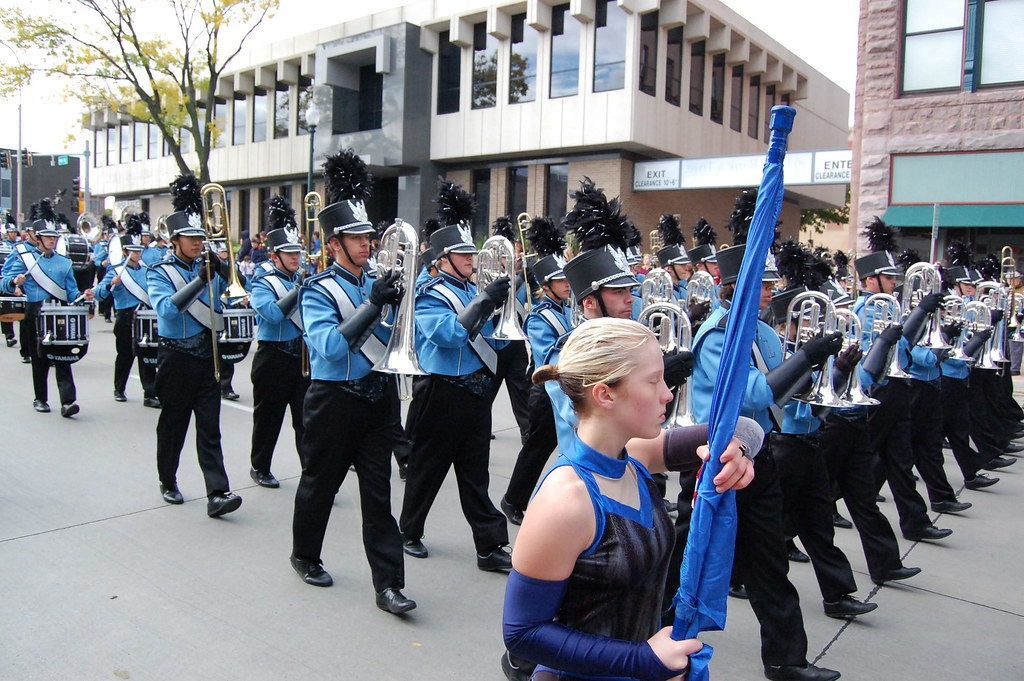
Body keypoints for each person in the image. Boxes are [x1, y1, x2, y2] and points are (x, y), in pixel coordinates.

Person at [503, 317, 759, 681]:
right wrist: (643, 659)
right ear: (605, 394)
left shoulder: (634, 455)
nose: (668, 393)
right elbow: (522, 633)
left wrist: (742, 451)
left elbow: (742, 427)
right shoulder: (566, 501)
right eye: (654, 380)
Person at [290, 150, 415, 615]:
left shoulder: (379, 282)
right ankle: (305, 554)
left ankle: (389, 585)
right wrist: (373, 305)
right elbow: (328, 347)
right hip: (332, 400)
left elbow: (395, 338)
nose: (367, 244)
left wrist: (395, 306)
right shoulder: (318, 288)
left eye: (368, 236)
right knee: (319, 483)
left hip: (377, 400)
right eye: (357, 238)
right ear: (335, 244)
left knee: (378, 495)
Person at [399, 179, 512, 571]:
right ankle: (408, 530)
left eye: (471, 251)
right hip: (442, 391)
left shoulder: (470, 288)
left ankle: (490, 545)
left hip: (477, 392)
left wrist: (503, 311)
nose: (471, 258)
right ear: (440, 259)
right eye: (462, 253)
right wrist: (484, 301)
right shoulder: (430, 291)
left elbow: (492, 340)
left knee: (475, 474)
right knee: (428, 467)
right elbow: (446, 335)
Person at [147, 173, 241, 518]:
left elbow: (232, 297)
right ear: (175, 239)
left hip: (208, 357)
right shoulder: (159, 271)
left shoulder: (210, 265)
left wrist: (222, 269)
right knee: (173, 424)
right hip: (176, 355)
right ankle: (167, 479)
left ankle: (217, 492)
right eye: (191, 237)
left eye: (201, 236)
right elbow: (167, 311)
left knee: (209, 427)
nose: (199, 242)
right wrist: (199, 281)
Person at [501, 216, 572, 525]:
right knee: (536, 449)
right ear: (545, 286)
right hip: (545, 390)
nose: (567, 284)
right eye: (560, 280)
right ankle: (513, 500)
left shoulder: (569, 309)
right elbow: (547, 355)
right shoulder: (540, 316)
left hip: (568, 387)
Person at [1, 199, 95, 416]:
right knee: (40, 358)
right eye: (48, 237)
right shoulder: (25, 257)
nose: (52, 240)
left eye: (54, 237)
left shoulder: (65, 262)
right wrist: (15, 282)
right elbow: (3, 280)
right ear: (39, 238)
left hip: (58, 311)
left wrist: (83, 296)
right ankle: (40, 398)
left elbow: (71, 293)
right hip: (36, 312)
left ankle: (67, 402)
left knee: (63, 357)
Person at [247, 196, 309, 488]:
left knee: (306, 421)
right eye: (289, 253)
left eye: (297, 252)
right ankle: (260, 467)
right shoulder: (262, 280)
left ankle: (312, 474)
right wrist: (298, 289)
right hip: (273, 357)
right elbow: (271, 314)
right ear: (275, 256)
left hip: (301, 357)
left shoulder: (305, 278)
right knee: (268, 418)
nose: (296, 257)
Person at [94, 213, 158, 406]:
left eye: (139, 251)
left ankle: (150, 394)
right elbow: (99, 294)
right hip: (125, 316)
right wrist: (110, 285)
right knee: (125, 354)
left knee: (147, 355)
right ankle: (119, 388)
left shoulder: (148, 270)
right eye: (133, 251)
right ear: (125, 252)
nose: (137, 254)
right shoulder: (116, 271)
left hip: (145, 316)